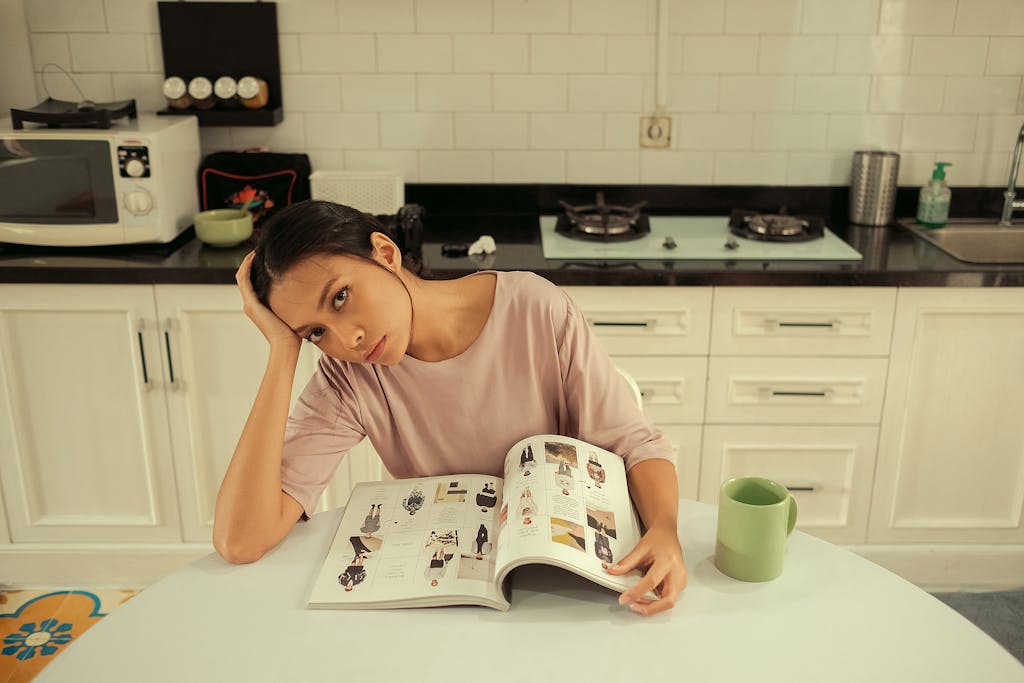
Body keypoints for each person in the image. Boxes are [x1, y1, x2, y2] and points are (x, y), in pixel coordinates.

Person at [213, 200, 687, 616]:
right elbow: (240, 539)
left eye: (340, 298)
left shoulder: (533, 309)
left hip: (564, 590)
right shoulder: (348, 377)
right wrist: (283, 351)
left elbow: (634, 443)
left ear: (385, 253)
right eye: (315, 332)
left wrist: (665, 529)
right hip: (444, 597)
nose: (346, 340)